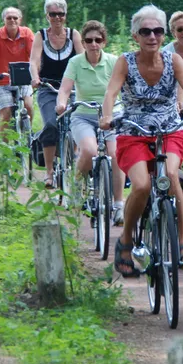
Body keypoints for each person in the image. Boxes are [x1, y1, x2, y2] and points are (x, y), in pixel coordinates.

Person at [100, 5, 183, 278]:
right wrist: (107, 116)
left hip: (169, 130)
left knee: (172, 175)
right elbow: (111, 92)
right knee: (141, 185)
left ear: (164, 35)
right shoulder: (125, 62)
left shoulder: (173, 60)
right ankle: (125, 242)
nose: (152, 36)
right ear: (135, 36)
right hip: (134, 131)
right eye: (146, 31)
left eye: (158, 31)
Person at [56, 20, 125, 221]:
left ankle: (119, 204)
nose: (94, 44)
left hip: (111, 114)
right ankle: (77, 187)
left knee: (116, 154)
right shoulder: (75, 62)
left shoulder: (114, 61)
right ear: (83, 43)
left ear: (104, 42)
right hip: (83, 114)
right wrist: (61, 103)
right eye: (89, 40)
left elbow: (124, 88)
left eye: (98, 40)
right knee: (89, 150)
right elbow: (65, 89)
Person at [30, 0, 84, 187]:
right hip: (49, 88)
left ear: (65, 15)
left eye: (60, 14)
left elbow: (83, 59)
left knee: (76, 124)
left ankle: (75, 163)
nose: (57, 18)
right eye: (53, 14)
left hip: (72, 89)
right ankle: (49, 172)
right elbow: (34, 61)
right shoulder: (41, 36)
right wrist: (35, 77)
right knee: (51, 125)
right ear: (47, 16)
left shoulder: (73, 35)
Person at [0, 7, 35, 136]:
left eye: (15, 18)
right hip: (2, 80)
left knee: (28, 106)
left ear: (20, 20)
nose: (12, 20)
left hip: (23, 79)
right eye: (9, 18)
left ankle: (27, 136)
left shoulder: (27, 33)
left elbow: (34, 55)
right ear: (4, 20)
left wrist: (37, 72)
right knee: (5, 113)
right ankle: (4, 145)